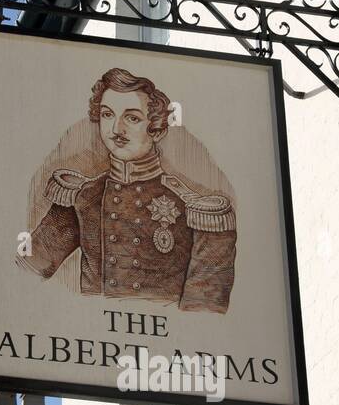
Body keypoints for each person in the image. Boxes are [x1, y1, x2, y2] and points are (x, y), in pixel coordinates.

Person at [17, 67, 236, 313]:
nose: (116, 130)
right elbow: (23, 276)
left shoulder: (197, 211)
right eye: (108, 115)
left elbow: (206, 314)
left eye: (132, 118)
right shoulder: (84, 196)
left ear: (157, 128)